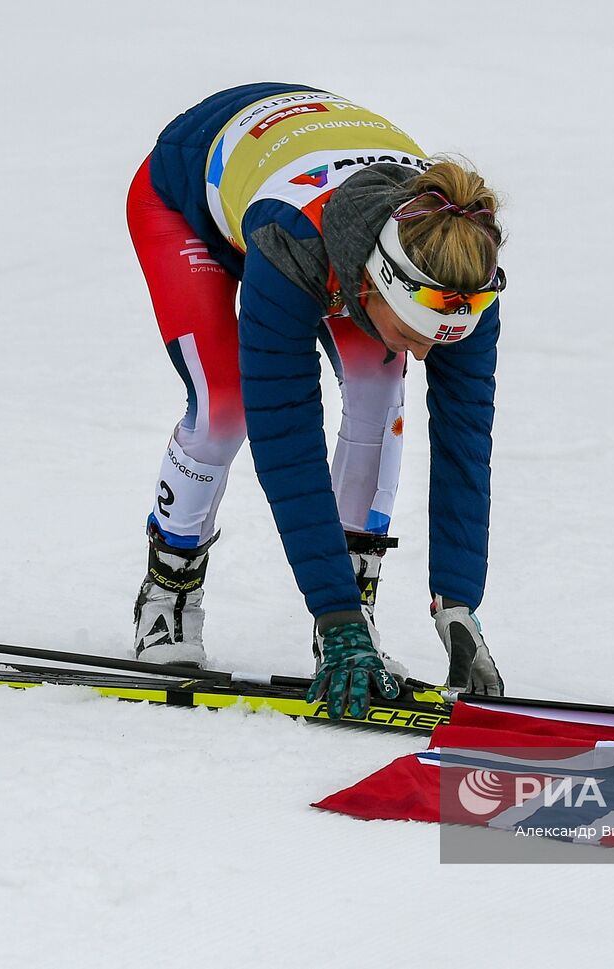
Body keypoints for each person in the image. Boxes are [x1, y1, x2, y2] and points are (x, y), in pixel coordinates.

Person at [125, 83, 507, 720]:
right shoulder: (293, 243)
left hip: (329, 200)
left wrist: (459, 604)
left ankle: (359, 609)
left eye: (437, 339)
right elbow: (288, 442)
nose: (423, 354)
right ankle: (169, 592)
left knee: (382, 390)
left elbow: (466, 444)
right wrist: (333, 616)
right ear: (371, 287)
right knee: (227, 407)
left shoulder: (462, 270)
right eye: (413, 333)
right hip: (188, 198)